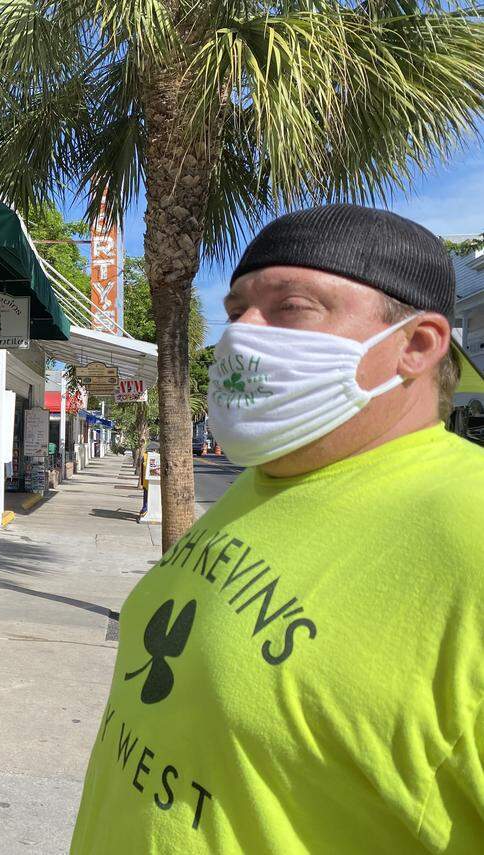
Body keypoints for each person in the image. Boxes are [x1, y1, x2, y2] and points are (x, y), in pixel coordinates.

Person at [72, 205, 484, 853]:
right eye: (237, 310)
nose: (243, 333)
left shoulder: (469, 529)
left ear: (417, 344)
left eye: (291, 306)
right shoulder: (267, 480)